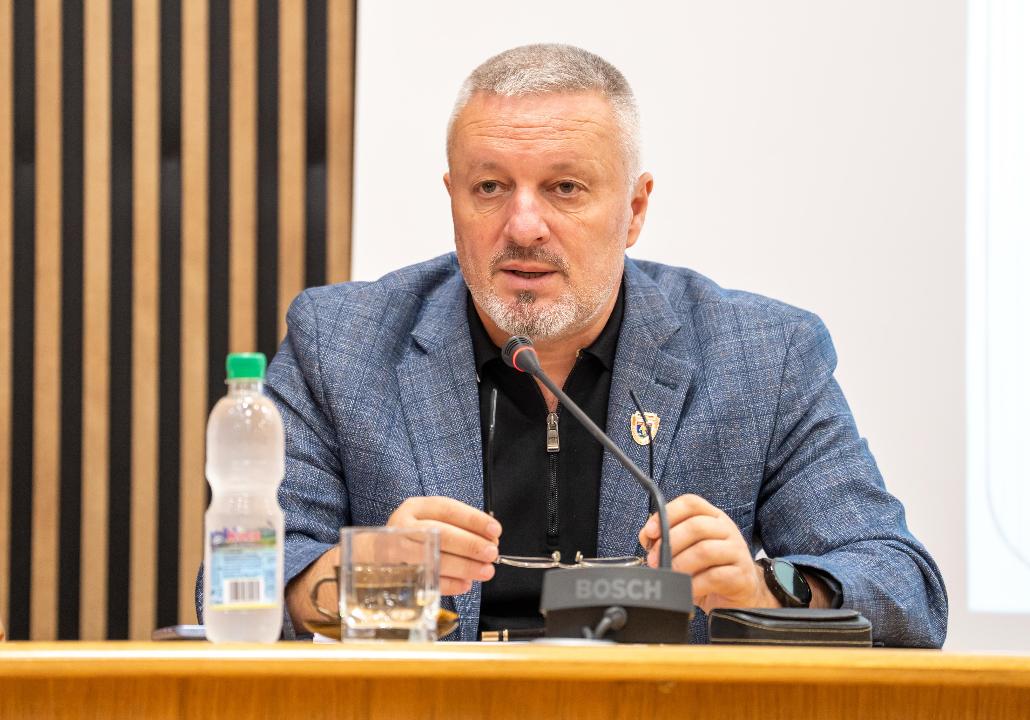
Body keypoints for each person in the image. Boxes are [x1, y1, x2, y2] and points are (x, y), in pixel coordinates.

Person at [197, 44, 947, 646]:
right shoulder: (343, 345)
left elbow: (905, 590)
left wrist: (762, 590)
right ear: (453, 198)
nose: (523, 226)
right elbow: (234, 585)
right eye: (491, 187)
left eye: (565, 188)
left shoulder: (760, 356)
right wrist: (368, 579)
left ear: (635, 209)